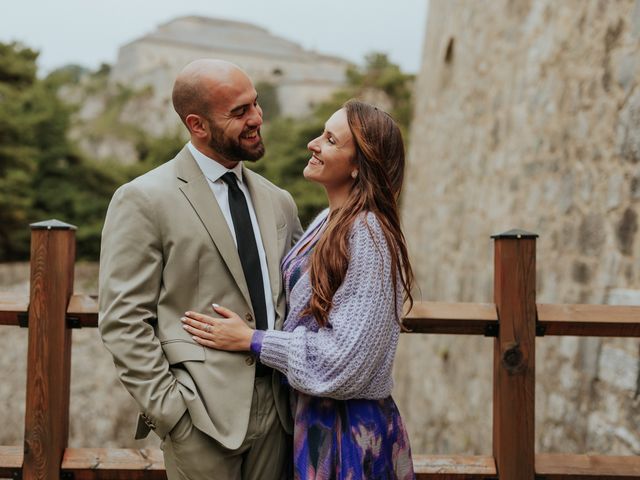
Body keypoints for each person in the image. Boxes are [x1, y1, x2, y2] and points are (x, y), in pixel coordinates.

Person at [182, 100, 416, 479]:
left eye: (330, 140)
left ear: (359, 165)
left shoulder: (368, 235)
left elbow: (346, 365)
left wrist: (254, 341)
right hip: (312, 419)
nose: (313, 144)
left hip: (349, 433)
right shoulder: (328, 220)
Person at [98, 59, 303, 480]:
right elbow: (123, 320)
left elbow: (299, 296)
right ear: (198, 124)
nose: (257, 118)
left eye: (256, 104)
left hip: (281, 414)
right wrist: (172, 413)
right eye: (240, 111)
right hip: (200, 418)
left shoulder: (279, 200)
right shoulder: (143, 199)